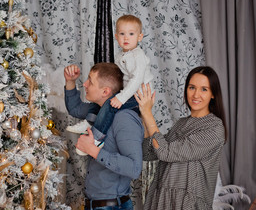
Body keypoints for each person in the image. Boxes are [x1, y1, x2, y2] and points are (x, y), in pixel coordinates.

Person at [135, 66, 227, 209]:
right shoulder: (181, 123)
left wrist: (148, 114)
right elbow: (147, 153)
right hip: (161, 200)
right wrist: (144, 113)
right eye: (192, 87)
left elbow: (166, 153)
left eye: (204, 89)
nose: (196, 95)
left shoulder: (214, 128)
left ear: (213, 94)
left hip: (187, 203)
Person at [67, 15, 153, 156]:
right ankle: (89, 121)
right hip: (127, 91)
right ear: (116, 36)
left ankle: (97, 138)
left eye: (131, 34)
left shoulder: (138, 56)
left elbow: (137, 80)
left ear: (140, 37)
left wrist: (121, 97)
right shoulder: (121, 55)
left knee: (110, 104)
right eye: (122, 34)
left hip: (139, 95)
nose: (126, 38)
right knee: (101, 99)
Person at [64, 63, 143, 210]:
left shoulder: (124, 118)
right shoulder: (99, 111)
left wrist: (93, 150)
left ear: (105, 91)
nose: (85, 84)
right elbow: (75, 109)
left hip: (113, 206)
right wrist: (70, 81)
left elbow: (134, 168)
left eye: (90, 81)